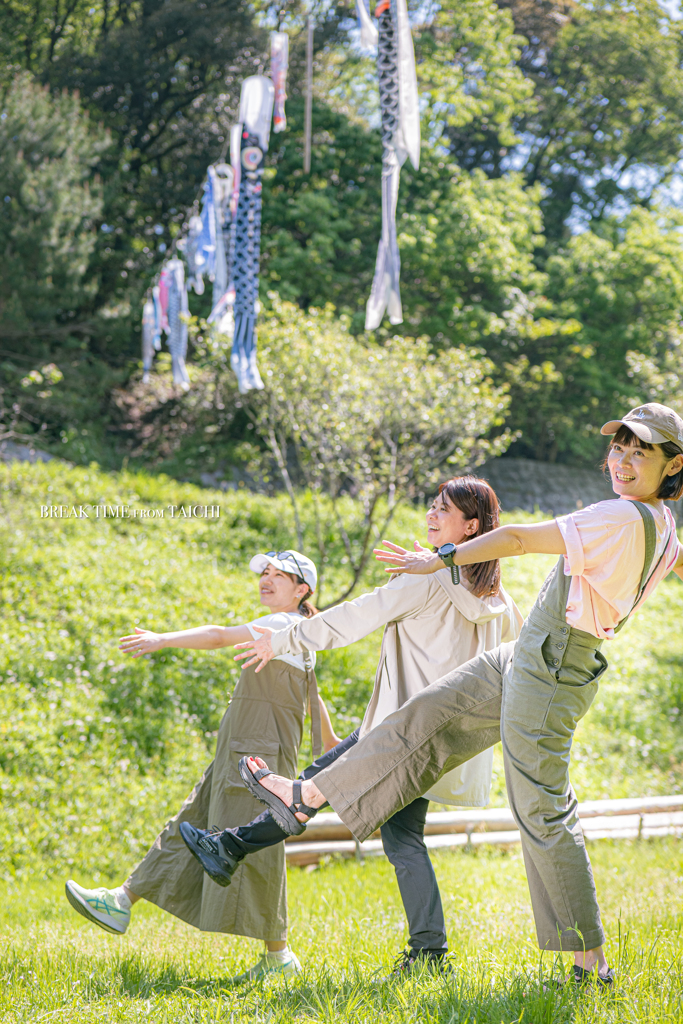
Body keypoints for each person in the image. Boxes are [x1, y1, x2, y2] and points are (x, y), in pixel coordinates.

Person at [226, 403, 683, 987]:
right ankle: (304, 792)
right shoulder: (660, 526)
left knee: (541, 810)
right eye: (619, 447)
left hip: (552, 664)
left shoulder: (620, 516)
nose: (622, 460)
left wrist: (437, 558)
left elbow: (515, 538)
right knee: (425, 714)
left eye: (640, 451)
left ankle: (589, 964)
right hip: (531, 655)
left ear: (672, 464)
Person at [179, 476, 523, 976]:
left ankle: (428, 952)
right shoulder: (498, 601)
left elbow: (350, 618)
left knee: (338, 804)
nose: (430, 514)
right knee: (374, 819)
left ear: (471, 527)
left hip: (397, 731)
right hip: (441, 737)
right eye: (430, 505)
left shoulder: (428, 580)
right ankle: (230, 846)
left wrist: (283, 640)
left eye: (442, 510)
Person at [65, 549, 330, 983]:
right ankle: (121, 900)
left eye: (278, 575)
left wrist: (162, 639)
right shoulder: (295, 633)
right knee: (192, 821)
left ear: (302, 590)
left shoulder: (283, 624)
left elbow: (218, 635)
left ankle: (279, 956)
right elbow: (311, 695)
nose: (266, 580)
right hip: (246, 748)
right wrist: (330, 739)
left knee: (257, 842)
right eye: (264, 573)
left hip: (253, 753)